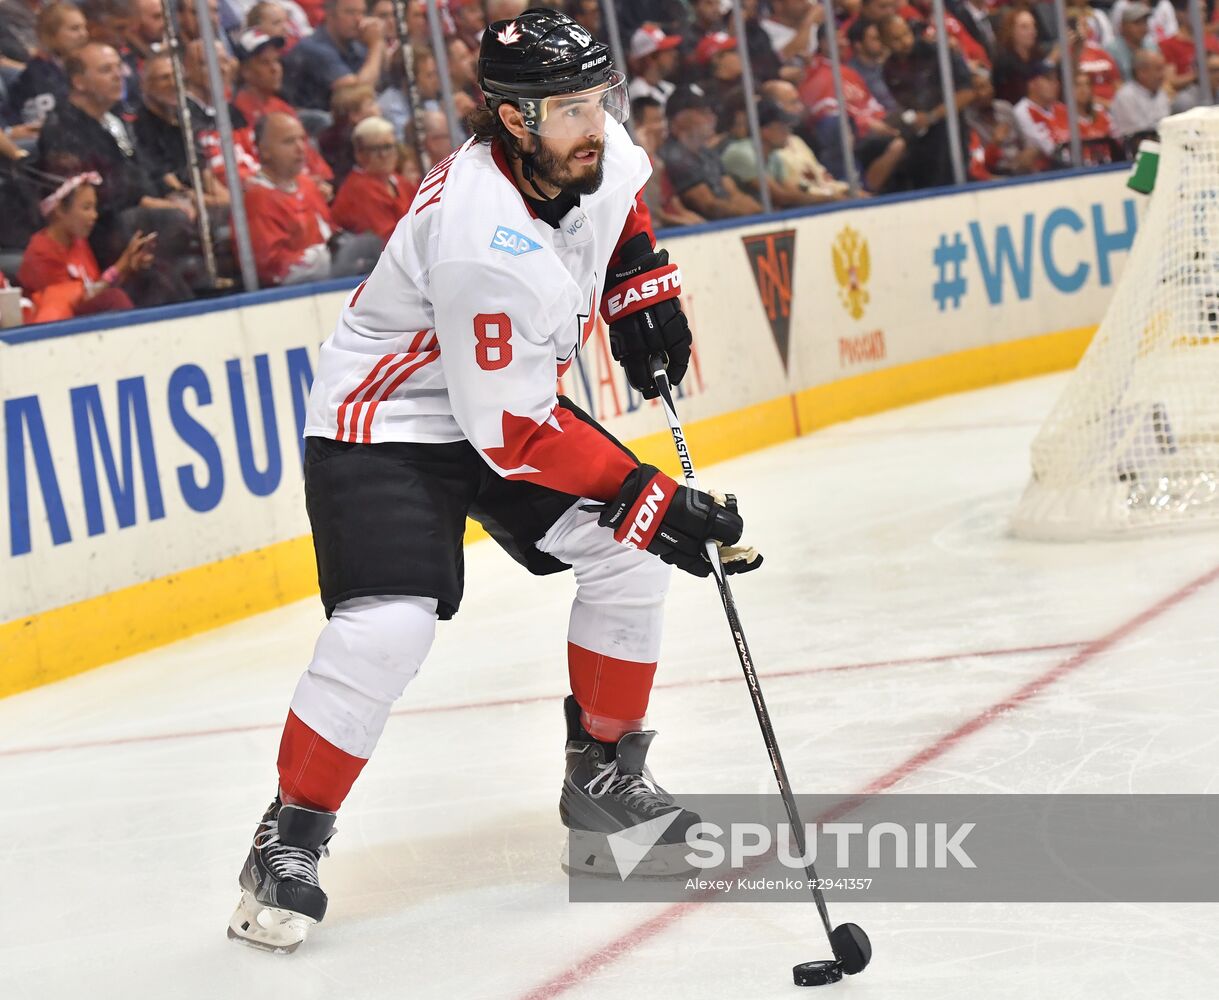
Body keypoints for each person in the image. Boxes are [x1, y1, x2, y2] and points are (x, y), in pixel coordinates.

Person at [226, 8, 758, 955]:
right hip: (388, 424)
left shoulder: (585, 146)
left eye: (601, 98)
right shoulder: (480, 232)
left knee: (630, 561)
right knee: (387, 627)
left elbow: (620, 205)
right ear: (513, 120)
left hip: (506, 403)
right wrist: (650, 496)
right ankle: (289, 835)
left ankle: (602, 780)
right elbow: (510, 433)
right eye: (569, 108)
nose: (594, 121)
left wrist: (640, 283)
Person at [17, 171, 153, 322]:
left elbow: (96, 290)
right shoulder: (41, 253)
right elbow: (70, 305)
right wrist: (120, 266)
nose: (94, 215)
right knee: (115, 298)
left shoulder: (78, 242)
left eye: (95, 208)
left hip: (87, 324)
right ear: (60, 210)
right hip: (58, 333)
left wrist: (128, 268)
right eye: (86, 208)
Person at [880, 14, 974, 189]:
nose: (905, 41)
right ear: (884, 43)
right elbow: (900, 102)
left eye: (906, 34)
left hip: (949, 132)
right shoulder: (889, 69)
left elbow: (967, 93)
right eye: (896, 39)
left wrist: (932, 116)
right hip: (918, 139)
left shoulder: (937, 53)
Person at [243, 111, 333, 286]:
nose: (301, 148)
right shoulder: (257, 198)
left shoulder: (307, 185)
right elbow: (272, 268)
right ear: (264, 151)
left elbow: (331, 232)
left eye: (302, 139)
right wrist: (328, 257)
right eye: (289, 141)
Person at [660, 83, 763, 218]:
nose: (712, 118)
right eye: (703, 112)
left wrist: (758, 212)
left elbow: (733, 192)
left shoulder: (706, 153)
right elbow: (709, 205)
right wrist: (754, 213)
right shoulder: (674, 157)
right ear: (680, 119)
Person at [722, 97, 849, 206]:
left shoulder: (774, 156)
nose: (787, 133)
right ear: (764, 131)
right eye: (782, 127)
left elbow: (791, 191)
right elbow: (780, 196)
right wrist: (830, 199)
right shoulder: (742, 153)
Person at [284, 0, 387, 111]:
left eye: (362, 13)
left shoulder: (356, 45)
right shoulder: (314, 47)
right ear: (329, 14)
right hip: (316, 120)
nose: (359, 20)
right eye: (350, 12)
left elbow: (386, 75)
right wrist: (376, 45)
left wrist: (379, 42)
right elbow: (356, 94)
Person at [329, 115, 415, 243]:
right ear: (359, 154)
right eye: (376, 149)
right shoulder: (360, 190)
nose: (384, 155)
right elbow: (388, 241)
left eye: (388, 147)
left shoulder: (397, 180)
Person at [8, 2, 90, 127]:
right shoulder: (37, 74)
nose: (83, 34)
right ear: (51, 35)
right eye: (75, 28)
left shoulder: (82, 66)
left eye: (85, 27)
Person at [1013, 61, 1071, 169]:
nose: (1055, 84)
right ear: (1032, 84)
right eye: (1049, 79)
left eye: (1056, 79)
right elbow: (1049, 148)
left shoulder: (1061, 108)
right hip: (1047, 172)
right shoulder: (1022, 111)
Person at [1110, 48, 1171, 143]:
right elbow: (1138, 134)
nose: (1162, 75)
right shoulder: (1126, 96)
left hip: (1161, 144)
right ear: (1142, 73)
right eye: (1158, 69)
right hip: (1135, 150)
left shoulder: (1161, 93)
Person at [627, 22, 682, 107]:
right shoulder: (638, 93)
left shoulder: (668, 87)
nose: (674, 54)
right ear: (651, 57)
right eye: (666, 50)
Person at [1105, 3, 1159, 82]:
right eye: (1137, 23)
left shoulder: (1152, 47)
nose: (1142, 27)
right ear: (1123, 26)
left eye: (1145, 22)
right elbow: (1113, 82)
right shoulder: (1111, 50)